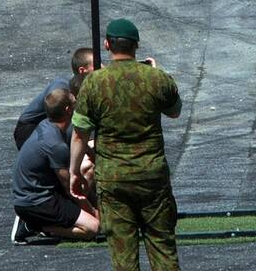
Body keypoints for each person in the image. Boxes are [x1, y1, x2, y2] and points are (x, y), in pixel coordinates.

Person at [70, 19, 183, 271]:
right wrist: (157, 73)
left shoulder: (94, 83)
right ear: (137, 46)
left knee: (124, 257)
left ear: (108, 45)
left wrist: (75, 172)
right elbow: (174, 111)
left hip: (113, 179)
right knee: (163, 249)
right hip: (151, 176)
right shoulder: (157, 79)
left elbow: (79, 134)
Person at [11, 88, 100, 244]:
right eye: (74, 102)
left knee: (85, 168)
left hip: (33, 193)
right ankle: (36, 226)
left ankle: (42, 222)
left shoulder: (47, 124)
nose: (77, 103)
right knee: (93, 228)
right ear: (68, 109)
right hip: (37, 202)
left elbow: (78, 140)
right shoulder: (55, 145)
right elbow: (71, 189)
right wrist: (92, 211)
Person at [13, 47, 95, 150]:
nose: (102, 67)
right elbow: (61, 120)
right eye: (97, 65)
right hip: (29, 130)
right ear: (82, 71)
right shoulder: (61, 87)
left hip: (51, 128)